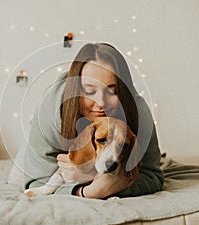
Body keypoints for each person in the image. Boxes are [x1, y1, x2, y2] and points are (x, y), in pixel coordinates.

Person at [24, 42, 163, 199]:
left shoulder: (138, 110)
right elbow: (36, 183)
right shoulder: (49, 107)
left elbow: (153, 176)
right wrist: (85, 191)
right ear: (75, 90)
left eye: (112, 91)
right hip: (51, 159)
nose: (101, 103)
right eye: (89, 90)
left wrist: (109, 184)